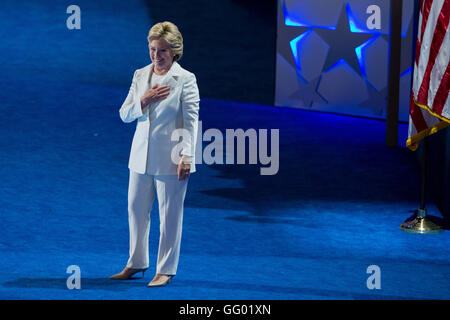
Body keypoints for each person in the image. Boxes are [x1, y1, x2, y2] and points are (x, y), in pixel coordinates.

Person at [110, 21, 200, 287]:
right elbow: (124, 114)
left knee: (170, 215)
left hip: (172, 159)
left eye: (161, 50)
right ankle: (136, 263)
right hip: (139, 157)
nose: (156, 55)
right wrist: (144, 100)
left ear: (174, 51)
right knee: (136, 211)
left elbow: (191, 120)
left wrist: (188, 156)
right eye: (152, 49)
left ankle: (166, 269)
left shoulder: (186, 79)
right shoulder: (140, 75)